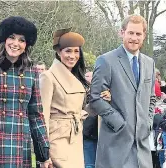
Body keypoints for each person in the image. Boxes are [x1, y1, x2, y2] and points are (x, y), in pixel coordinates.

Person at [0, 16, 51, 168]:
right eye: (12, 38)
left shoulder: (31, 72)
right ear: (4, 40)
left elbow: (36, 115)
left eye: (21, 40)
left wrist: (44, 152)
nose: (16, 44)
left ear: (26, 44)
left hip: (21, 146)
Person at [89, 14, 156, 168]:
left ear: (144, 36)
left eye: (138, 34)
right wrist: (119, 123)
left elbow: (151, 98)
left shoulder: (149, 63)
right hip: (115, 145)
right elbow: (96, 97)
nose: (134, 37)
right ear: (122, 32)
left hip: (142, 149)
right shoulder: (106, 61)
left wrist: (147, 122)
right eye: (130, 33)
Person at [39, 28, 110, 168]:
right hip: (56, 143)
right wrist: (44, 154)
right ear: (59, 52)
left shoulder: (75, 78)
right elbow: (42, 116)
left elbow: (80, 112)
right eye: (68, 51)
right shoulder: (48, 77)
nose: (72, 56)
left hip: (76, 139)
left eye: (76, 51)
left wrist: (101, 101)